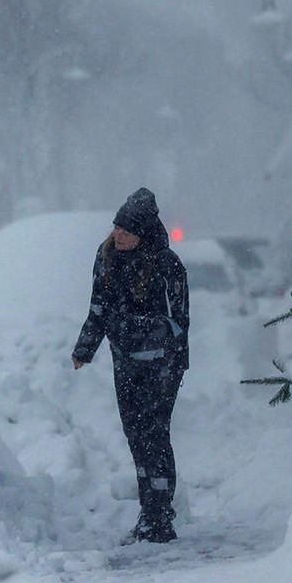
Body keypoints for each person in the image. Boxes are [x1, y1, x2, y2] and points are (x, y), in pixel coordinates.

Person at [72, 187, 189, 544]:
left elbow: (181, 320)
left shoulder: (168, 265)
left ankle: (159, 517)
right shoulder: (106, 257)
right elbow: (98, 307)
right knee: (135, 436)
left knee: (155, 435)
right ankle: (149, 511)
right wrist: (85, 348)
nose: (117, 234)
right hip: (124, 361)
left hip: (161, 366)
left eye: (126, 230)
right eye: (116, 227)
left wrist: (173, 357)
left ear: (142, 234)